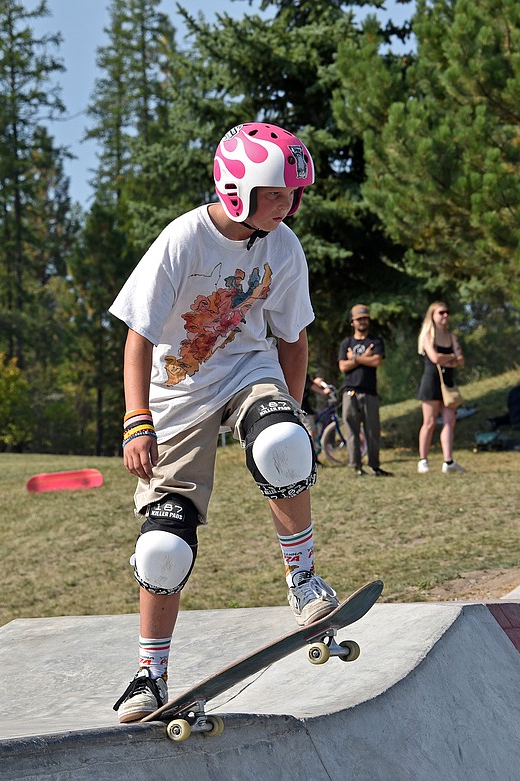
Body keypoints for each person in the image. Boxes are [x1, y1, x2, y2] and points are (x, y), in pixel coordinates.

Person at [108, 122, 340, 723]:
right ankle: (149, 676)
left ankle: (304, 579)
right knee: (162, 549)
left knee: (283, 444)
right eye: (277, 194)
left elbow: (293, 339)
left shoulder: (283, 246)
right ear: (237, 189)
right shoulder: (184, 239)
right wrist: (137, 419)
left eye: (294, 194)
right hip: (175, 394)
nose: (289, 205)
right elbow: (138, 335)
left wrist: (291, 414)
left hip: (246, 370)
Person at [337, 304, 392, 476]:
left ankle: (374, 466)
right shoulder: (346, 342)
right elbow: (343, 366)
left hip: (369, 392)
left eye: (365, 318)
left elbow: (376, 361)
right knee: (352, 431)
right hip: (350, 392)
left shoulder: (375, 341)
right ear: (352, 322)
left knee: (372, 430)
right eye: (359, 319)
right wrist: (363, 357)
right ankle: (356, 466)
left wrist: (354, 358)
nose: (363, 321)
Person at [415, 301, 466, 473]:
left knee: (449, 421)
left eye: (447, 312)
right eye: (441, 312)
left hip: (448, 383)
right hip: (431, 382)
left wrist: (449, 358)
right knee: (429, 422)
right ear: (433, 315)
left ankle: (448, 461)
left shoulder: (451, 336)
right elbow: (435, 358)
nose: (445, 316)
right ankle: (423, 460)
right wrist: (451, 357)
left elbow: (461, 361)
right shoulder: (428, 336)